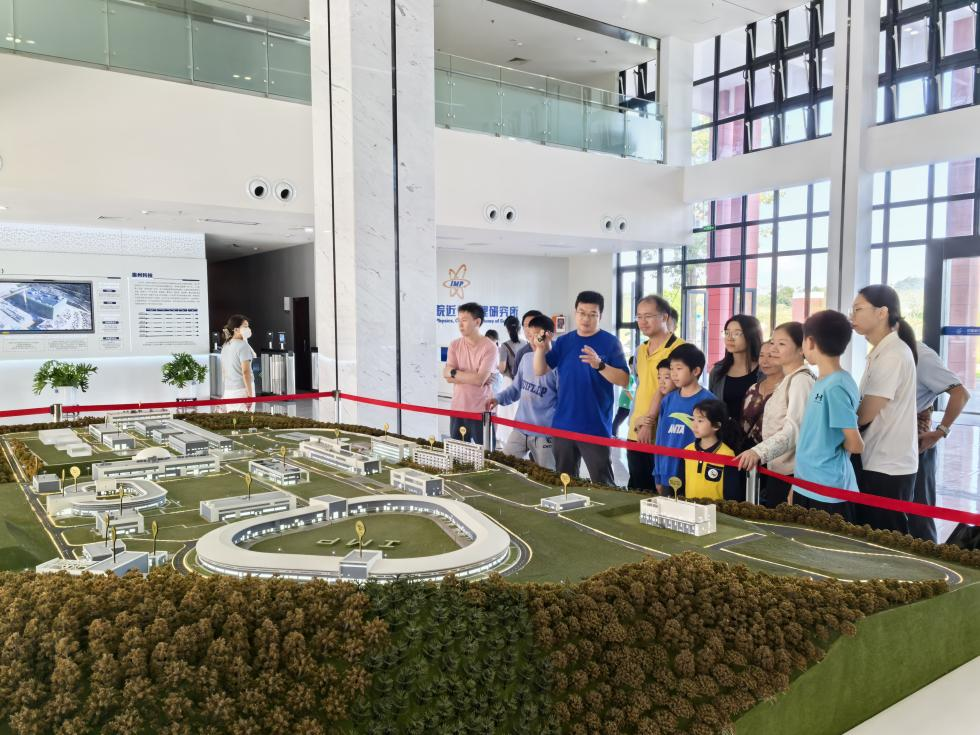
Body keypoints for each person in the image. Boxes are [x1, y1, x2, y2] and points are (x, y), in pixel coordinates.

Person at [533, 291, 628, 485]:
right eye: (582, 313)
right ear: (575, 312)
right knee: (565, 482)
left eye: (592, 314)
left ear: (600, 316)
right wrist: (540, 349)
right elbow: (540, 370)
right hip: (563, 424)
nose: (586, 319)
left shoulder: (611, 343)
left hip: (595, 426)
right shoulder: (564, 341)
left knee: (603, 483)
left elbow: (624, 379)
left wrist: (600, 365)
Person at [850, 285, 919, 534]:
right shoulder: (882, 352)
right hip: (877, 459)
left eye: (858, 309)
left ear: (882, 313)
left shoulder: (893, 354)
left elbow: (866, 414)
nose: (852, 316)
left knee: (885, 540)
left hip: (887, 465)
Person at [793, 310, 864, 520]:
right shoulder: (824, 380)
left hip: (827, 489)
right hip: (807, 483)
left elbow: (855, 444)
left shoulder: (836, 386)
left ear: (810, 342)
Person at [736, 322, 815, 508]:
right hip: (778, 469)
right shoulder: (789, 379)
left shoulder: (801, 381)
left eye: (782, 344)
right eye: (773, 342)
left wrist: (759, 451)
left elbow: (795, 430)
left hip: (793, 473)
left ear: (801, 349)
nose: (773, 349)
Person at [912, 342, 970, 542]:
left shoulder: (921, 355)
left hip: (918, 444)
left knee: (919, 516)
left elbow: (961, 393)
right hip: (891, 446)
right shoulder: (881, 353)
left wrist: (940, 431)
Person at [627, 295, 684, 491]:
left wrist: (649, 422)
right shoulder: (640, 350)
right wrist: (638, 422)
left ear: (664, 317)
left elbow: (672, 390)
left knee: (662, 492)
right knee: (637, 489)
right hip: (636, 430)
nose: (643, 322)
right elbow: (642, 386)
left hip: (664, 433)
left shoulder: (680, 349)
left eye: (649, 316)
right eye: (639, 317)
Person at [488, 329, 559, 470]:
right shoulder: (526, 358)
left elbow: (564, 400)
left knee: (547, 474)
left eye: (537, 335)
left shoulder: (558, 364)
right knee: (503, 466)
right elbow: (516, 389)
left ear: (548, 335)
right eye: (529, 335)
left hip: (544, 433)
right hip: (520, 428)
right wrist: (498, 399)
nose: (532, 340)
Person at [653, 344, 714, 495]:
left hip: (695, 475)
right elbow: (660, 438)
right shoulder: (667, 400)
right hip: (667, 473)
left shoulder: (709, 402)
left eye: (679, 368)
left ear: (696, 371)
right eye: (671, 369)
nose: (674, 374)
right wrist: (658, 474)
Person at [444, 303, 498, 447]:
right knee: (457, 454)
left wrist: (454, 373)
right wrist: (473, 377)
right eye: (459, 320)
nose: (460, 325)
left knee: (487, 455)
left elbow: (479, 380)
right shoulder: (454, 345)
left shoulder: (490, 347)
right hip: (458, 408)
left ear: (477, 322)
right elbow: (447, 376)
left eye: (464, 320)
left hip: (480, 410)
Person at [708, 315, 764, 426]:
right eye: (727, 333)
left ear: (751, 336)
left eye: (736, 333)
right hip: (725, 433)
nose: (730, 338)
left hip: (755, 434)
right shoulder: (717, 371)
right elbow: (711, 407)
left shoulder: (764, 371)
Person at [684, 398, 739, 502]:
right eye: (693, 419)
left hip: (717, 510)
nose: (694, 425)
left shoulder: (727, 454)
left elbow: (732, 493)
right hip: (690, 508)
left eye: (700, 421)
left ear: (716, 425)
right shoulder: (687, 450)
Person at [739, 341, 782, 448]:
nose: (764, 361)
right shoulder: (752, 389)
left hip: (774, 453)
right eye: (761, 355)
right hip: (747, 452)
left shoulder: (788, 390)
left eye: (771, 356)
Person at [220, 314, 256, 412]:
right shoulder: (243, 345)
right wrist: (250, 395)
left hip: (229, 391)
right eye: (245, 326)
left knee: (233, 420)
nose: (248, 329)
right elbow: (246, 372)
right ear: (236, 329)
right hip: (242, 390)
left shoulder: (225, 345)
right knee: (246, 419)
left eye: (248, 326)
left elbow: (224, 371)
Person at [512, 309, 544, 375]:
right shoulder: (521, 353)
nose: (529, 330)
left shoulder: (555, 348)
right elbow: (517, 378)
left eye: (533, 325)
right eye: (526, 326)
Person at [612, 357, 636, 438]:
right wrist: (634, 401)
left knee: (621, 420)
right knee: (618, 419)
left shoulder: (635, 377)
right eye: (634, 365)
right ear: (631, 366)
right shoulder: (630, 377)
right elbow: (626, 390)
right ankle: (613, 435)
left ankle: (614, 435)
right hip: (625, 403)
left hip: (629, 404)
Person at [498, 315, 525, 381]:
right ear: (519, 328)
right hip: (525, 380)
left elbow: (502, 369)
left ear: (507, 330)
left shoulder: (504, 346)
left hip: (511, 381)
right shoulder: (527, 343)